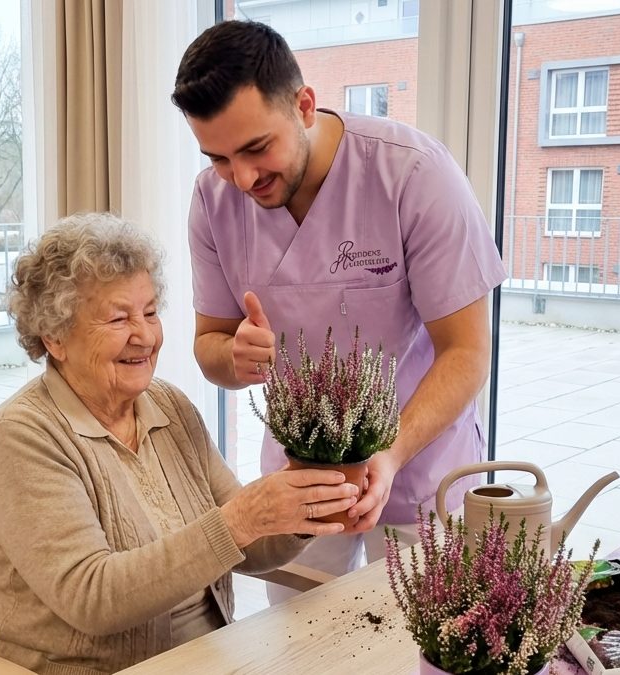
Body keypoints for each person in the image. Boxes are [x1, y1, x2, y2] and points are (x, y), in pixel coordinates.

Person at [171, 20, 507, 597]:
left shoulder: (414, 175)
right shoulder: (213, 200)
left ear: (304, 105)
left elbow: (468, 352)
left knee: (421, 647)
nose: (242, 178)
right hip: (301, 475)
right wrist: (235, 355)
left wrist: (390, 452)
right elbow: (210, 349)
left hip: (421, 463)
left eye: (256, 148)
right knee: (301, 647)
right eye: (220, 158)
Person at [0, 213, 359, 674]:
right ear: (55, 337)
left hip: (207, 660)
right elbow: (92, 597)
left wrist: (304, 506)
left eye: (151, 312)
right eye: (119, 318)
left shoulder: (170, 407)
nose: (145, 335)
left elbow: (252, 545)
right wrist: (238, 521)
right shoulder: (24, 436)